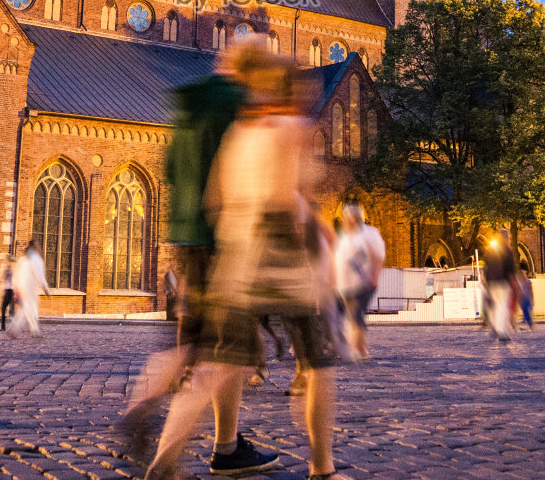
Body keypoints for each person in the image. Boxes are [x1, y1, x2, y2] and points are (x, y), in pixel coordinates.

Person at [145, 38, 333, 480]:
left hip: (235, 259)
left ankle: (163, 460)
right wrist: (317, 238)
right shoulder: (290, 128)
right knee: (320, 364)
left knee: (216, 362)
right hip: (282, 265)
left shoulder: (238, 131)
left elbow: (215, 199)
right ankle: (323, 469)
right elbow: (287, 199)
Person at [121, 43, 256, 469]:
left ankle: (218, 441)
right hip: (223, 243)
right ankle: (171, 459)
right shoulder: (238, 104)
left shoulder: (189, 102)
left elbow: (169, 172)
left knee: (198, 348)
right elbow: (241, 175)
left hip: (186, 240)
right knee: (225, 352)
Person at [333, 202, 384, 359]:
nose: (344, 220)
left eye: (346, 217)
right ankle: (360, 349)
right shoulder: (348, 235)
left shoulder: (369, 233)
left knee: (355, 315)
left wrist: (374, 277)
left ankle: (356, 350)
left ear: (354, 218)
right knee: (350, 316)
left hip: (362, 282)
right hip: (345, 285)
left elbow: (377, 256)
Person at [9, 240, 48, 339]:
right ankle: (32, 331)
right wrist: (45, 287)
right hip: (29, 287)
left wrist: (15, 287)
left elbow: (16, 273)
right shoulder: (35, 258)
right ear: (36, 247)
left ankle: (18, 328)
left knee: (25, 309)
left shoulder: (23, 259)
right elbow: (38, 274)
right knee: (30, 308)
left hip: (21, 286)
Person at [481, 234, 514, 343]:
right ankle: (501, 332)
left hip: (491, 283)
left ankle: (496, 327)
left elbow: (485, 267)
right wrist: (512, 281)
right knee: (502, 307)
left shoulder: (490, 252)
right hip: (502, 282)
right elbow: (510, 268)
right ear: (505, 238)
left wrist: (486, 281)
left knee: (495, 307)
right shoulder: (507, 250)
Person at [516, 262, 535, 329]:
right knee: (526, 311)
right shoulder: (522, 280)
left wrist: (532, 300)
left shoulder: (526, 281)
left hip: (526, 298)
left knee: (527, 312)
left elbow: (530, 291)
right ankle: (529, 325)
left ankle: (528, 324)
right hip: (523, 298)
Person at [0, 261, 15, 334]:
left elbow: (2, 279)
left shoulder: (7, 270)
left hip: (8, 291)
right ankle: (14, 327)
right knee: (12, 311)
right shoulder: (14, 270)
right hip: (12, 291)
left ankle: (3, 327)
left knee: (3, 309)